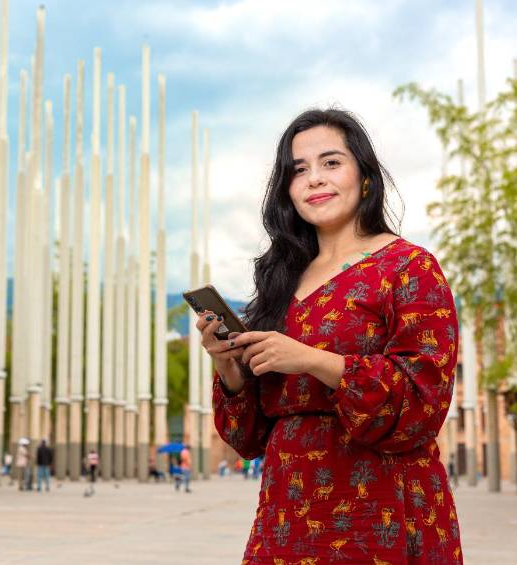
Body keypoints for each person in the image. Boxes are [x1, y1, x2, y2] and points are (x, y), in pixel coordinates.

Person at [197, 109, 462, 563]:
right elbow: (248, 440)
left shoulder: (409, 267)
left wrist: (312, 359)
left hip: (382, 511)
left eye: (331, 162)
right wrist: (229, 366)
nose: (314, 179)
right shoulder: (281, 279)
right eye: (299, 170)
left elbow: (425, 399)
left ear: (365, 177)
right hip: (286, 517)